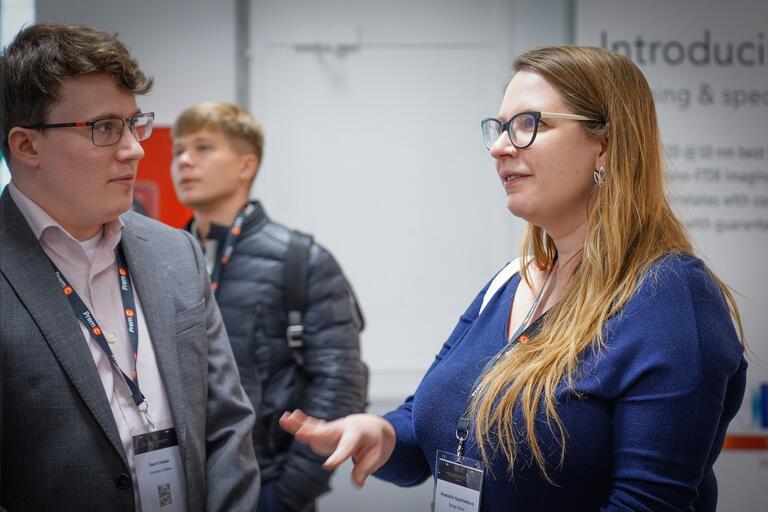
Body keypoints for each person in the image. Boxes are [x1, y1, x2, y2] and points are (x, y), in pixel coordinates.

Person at [280, 46, 748, 511]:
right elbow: (429, 425)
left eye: (530, 124)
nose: (501, 146)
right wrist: (380, 434)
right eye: (500, 128)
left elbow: (649, 505)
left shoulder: (668, 297)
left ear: (604, 143)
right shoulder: (513, 280)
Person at [0, 23, 260, 511]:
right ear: (27, 145)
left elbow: (227, 426)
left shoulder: (174, 253)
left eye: (132, 123)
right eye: (104, 128)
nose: (135, 148)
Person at [170, 102, 367, 512]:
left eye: (203, 148)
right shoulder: (160, 260)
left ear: (245, 166)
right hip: (179, 487)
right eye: (178, 150)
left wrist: (285, 496)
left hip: (269, 484)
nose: (184, 161)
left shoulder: (302, 259)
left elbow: (339, 384)